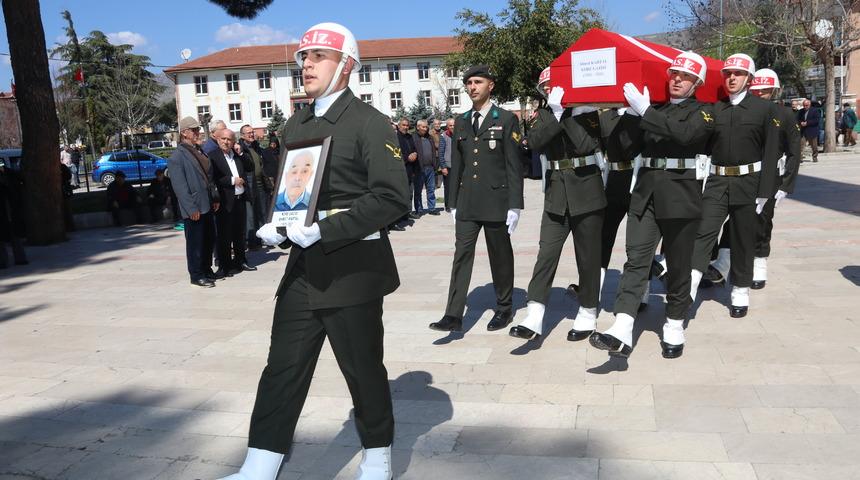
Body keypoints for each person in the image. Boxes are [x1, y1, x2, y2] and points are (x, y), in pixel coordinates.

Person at [220, 22, 410, 480]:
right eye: (303, 56)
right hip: (304, 267)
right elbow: (295, 188)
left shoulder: (370, 122)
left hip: (354, 269)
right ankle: (260, 463)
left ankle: (378, 454)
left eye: (317, 56)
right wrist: (280, 226)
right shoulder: (297, 123)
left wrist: (325, 228)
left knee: (362, 370)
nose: (305, 64)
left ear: (346, 66)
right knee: (282, 366)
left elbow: (390, 197)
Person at [590, 51, 714, 359]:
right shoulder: (652, 110)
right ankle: (622, 325)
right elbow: (625, 148)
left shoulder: (705, 112)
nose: (676, 79)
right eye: (674, 74)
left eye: (684, 76)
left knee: (679, 263)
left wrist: (645, 110)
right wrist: (631, 116)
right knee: (636, 259)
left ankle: (673, 321)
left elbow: (686, 135)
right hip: (645, 194)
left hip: (681, 196)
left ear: (696, 82)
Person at [508, 66, 606, 341]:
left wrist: (566, 113)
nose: (551, 90)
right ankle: (535, 313)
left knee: (587, 257)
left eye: (555, 85)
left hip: (587, 190)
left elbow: (586, 144)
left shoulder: (586, 112)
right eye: (547, 87)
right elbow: (535, 141)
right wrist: (555, 113)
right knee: (546, 254)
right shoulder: (544, 114)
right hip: (556, 194)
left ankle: (588, 312)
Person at [429, 65, 524, 333]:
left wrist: (515, 204)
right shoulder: (461, 121)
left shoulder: (505, 119)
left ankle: (504, 308)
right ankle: (453, 314)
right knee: (461, 255)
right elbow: (456, 164)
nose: (472, 87)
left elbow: (513, 165)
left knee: (500, 256)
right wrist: (452, 202)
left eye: (477, 82)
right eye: (469, 82)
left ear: (490, 85)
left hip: (496, 201)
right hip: (468, 202)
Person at [688, 53, 780, 318]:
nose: (731, 78)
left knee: (742, 239)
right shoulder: (717, 109)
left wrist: (765, 192)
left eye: (737, 74)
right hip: (717, 181)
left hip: (749, 182)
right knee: (703, 231)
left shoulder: (765, 110)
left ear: (749, 79)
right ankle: (690, 285)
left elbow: (771, 152)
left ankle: (739, 289)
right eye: (727, 74)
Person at [699, 68, 802, 291]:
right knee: (735, 224)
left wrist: (786, 184)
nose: (761, 94)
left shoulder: (782, 114)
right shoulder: (746, 110)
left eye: (766, 91)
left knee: (762, 221)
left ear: (775, 90)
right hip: (746, 176)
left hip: (771, 176)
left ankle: (759, 262)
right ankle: (723, 264)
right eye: (758, 90)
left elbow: (795, 151)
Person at [168, 116, 220, 288]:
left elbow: (208, 178)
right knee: (195, 243)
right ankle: (196, 275)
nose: (198, 132)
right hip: (194, 207)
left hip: (206, 204)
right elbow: (180, 188)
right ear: (184, 133)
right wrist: (191, 208)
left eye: (198, 129)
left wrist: (214, 198)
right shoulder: (177, 157)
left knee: (208, 239)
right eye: (194, 130)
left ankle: (206, 269)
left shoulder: (199, 151)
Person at [210, 128, 256, 278]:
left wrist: (241, 153)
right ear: (218, 139)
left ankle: (240, 261)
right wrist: (231, 180)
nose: (226, 142)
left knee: (239, 233)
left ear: (234, 141)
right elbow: (214, 178)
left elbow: (250, 167)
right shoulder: (213, 157)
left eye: (229, 139)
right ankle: (224, 266)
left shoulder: (236, 154)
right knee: (224, 235)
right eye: (223, 139)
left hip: (240, 199)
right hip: (225, 201)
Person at [240, 125, 270, 250]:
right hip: (250, 184)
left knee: (262, 211)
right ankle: (251, 241)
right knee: (251, 214)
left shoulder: (256, 147)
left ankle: (262, 238)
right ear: (242, 136)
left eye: (252, 132)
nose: (251, 134)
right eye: (248, 133)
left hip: (260, 183)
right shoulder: (240, 148)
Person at [0, 158, 27, 268]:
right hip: (5, 210)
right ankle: (3, 261)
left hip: (10, 210)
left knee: (14, 235)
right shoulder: (10, 174)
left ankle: (19, 259)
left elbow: (20, 184)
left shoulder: (10, 174)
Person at [413, 119, 439, 214]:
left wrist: (434, 165)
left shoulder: (430, 137)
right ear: (418, 127)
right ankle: (419, 209)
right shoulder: (414, 138)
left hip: (430, 168)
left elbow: (433, 151)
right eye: (423, 127)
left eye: (426, 126)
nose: (425, 128)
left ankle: (432, 208)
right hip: (419, 168)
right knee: (418, 191)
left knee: (431, 189)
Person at [438, 118, 453, 210]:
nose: (452, 127)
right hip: (448, 166)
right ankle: (448, 205)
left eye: (454, 125)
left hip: (458, 166)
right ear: (447, 126)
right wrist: (443, 167)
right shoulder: (444, 136)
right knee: (448, 187)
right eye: (450, 125)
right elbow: (441, 152)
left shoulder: (460, 134)